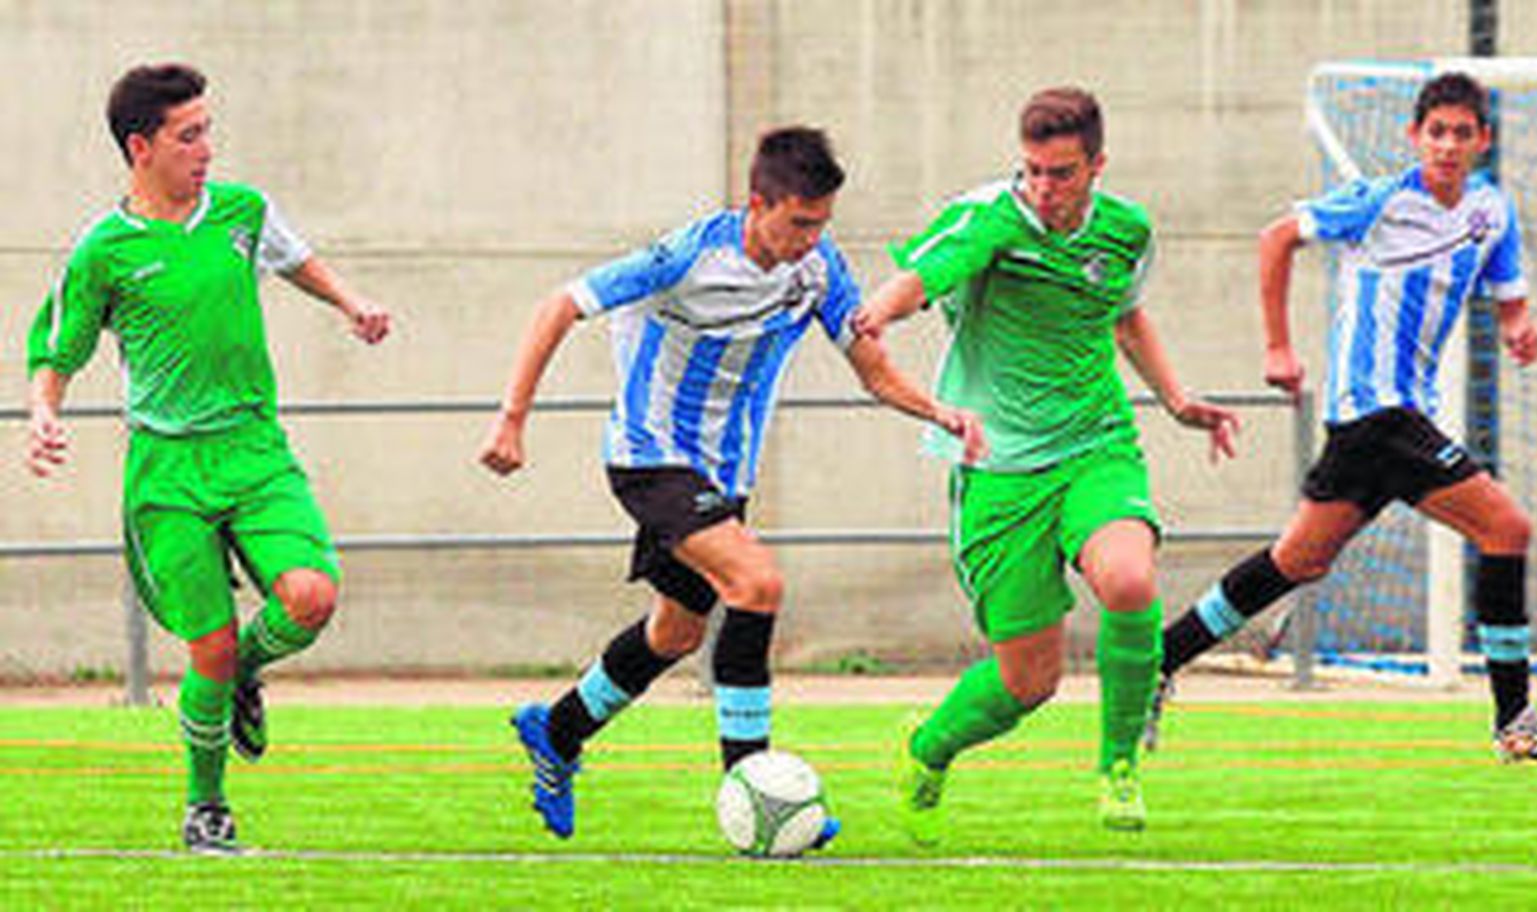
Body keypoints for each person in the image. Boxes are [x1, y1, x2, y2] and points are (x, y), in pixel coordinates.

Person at [478, 126, 985, 844]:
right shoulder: (689, 254)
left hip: (724, 471)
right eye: (800, 221)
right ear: (759, 203)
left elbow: (872, 370)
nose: (813, 237)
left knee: (676, 631)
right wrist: (512, 420)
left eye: (823, 223)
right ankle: (752, 793)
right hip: (650, 456)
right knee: (758, 584)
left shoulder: (818, 269)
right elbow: (559, 305)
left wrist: (940, 410)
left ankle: (557, 731)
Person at [1144, 72, 1537, 763]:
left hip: (1385, 424)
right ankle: (1516, 721)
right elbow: (1275, 238)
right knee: (1508, 526)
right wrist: (1278, 346)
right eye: (1435, 131)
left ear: (1483, 141)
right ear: (1414, 136)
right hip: (1376, 412)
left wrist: (1520, 328)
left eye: (1461, 133)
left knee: (1300, 558)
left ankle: (1158, 658)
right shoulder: (1379, 202)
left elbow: (1508, 297)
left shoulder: (1492, 210)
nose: (1446, 144)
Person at [853, 86, 1239, 839]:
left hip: (1096, 444)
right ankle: (927, 747)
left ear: (1097, 165)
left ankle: (1119, 767)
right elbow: (920, 277)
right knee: (1028, 683)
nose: (1042, 189)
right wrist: (877, 312)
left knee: (1128, 580)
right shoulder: (990, 217)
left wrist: (1178, 401)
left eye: (1060, 173)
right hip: (998, 469)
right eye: (1031, 169)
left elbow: (1124, 316)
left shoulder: (1128, 230)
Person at [24, 63, 391, 853]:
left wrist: (352, 303)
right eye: (189, 135)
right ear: (140, 146)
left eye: (208, 130)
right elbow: (62, 343)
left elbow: (294, 257)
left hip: (254, 451)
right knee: (211, 647)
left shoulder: (241, 212)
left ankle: (245, 678)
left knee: (311, 598)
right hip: (167, 470)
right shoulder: (106, 250)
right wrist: (43, 411)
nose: (207, 148)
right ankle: (207, 808)